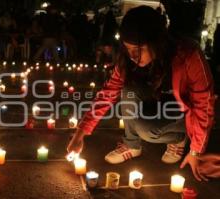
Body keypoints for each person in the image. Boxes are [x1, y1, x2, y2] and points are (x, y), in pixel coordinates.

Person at [67, 6, 215, 181]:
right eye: (128, 49)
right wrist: (79, 135)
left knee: (146, 129)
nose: (132, 56)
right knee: (128, 91)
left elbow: (203, 104)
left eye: (137, 50)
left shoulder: (188, 55)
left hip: (184, 113)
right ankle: (132, 145)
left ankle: (178, 138)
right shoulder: (128, 61)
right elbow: (108, 93)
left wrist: (196, 151)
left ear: (156, 41)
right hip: (158, 103)